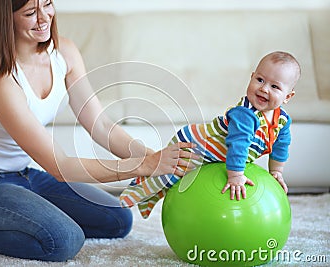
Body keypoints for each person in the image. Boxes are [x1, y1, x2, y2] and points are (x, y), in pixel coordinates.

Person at [0, 0, 198, 262]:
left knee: (117, 220)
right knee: (63, 240)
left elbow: (101, 125)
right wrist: (142, 166)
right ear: (5, 20)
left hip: (23, 175)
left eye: (47, 4)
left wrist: (156, 158)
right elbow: (59, 167)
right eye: (30, 13)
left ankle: (24, 216)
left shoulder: (65, 53)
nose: (43, 18)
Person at [120, 51, 301, 219]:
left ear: (288, 97)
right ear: (252, 77)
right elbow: (239, 145)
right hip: (197, 144)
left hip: (216, 154)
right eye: (260, 80)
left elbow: (281, 146)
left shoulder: (283, 120)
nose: (264, 89)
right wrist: (235, 175)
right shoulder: (245, 114)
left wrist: (276, 171)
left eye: (275, 86)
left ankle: (149, 198)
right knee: (169, 174)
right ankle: (134, 195)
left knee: (174, 179)